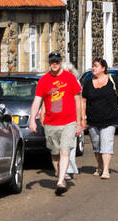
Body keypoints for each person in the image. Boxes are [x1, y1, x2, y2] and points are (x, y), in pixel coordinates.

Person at [30, 51, 85, 196]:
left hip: (69, 121)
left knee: (64, 150)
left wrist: (79, 122)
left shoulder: (70, 78)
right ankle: (59, 172)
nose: (54, 64)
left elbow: (77, 101)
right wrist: (32, 120)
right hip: (51, 122)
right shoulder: (44, 80)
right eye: (52, 62)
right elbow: (37, 101)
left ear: (61, 62)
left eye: (57, 62)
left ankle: (61, 181)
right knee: (55, 153)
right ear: (49, 63)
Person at [81, 58, 118, 180]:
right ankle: (99, 165)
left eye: (96, 66)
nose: (93, 68)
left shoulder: (113, 80)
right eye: (92, 66)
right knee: (97, 146)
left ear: (103, 68)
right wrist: (83, 118)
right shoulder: (88, 83)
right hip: (93, 119)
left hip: (109, 118)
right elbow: (83, 101)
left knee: (106, 144)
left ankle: (106, 170)